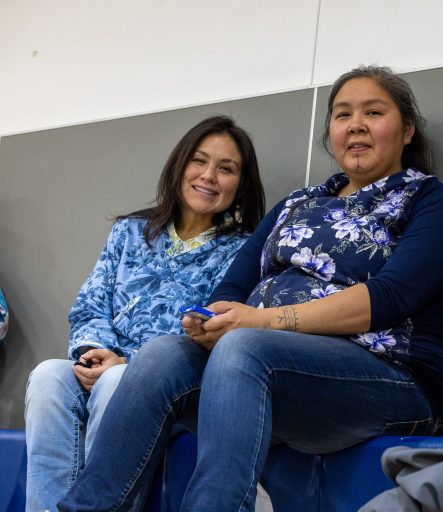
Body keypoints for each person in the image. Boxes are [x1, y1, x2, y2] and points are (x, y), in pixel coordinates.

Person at [58, 65, 443, 511]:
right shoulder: (298, 203)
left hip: (389, 380)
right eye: (342, 114)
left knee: (244, 348)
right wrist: (211, 322)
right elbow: (232, 288)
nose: (356, 125)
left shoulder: (434, 201)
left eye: (373, 112)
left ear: (407, 130)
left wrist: (261, 322)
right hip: (266, 367)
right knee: (162, 355)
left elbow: (390, 297)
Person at [24, 115, 265, 512]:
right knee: (48, 375)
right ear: (180, 165)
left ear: (241, 185)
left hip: (170, 388)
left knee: (117, 381)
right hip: (103, 363)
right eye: (199, 161)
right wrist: (94, 352)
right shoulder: (130, 231)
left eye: (226, 169)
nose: (209, 176)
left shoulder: (244, 251)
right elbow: (90, 304)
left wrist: (126, 363)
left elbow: (211, 334)